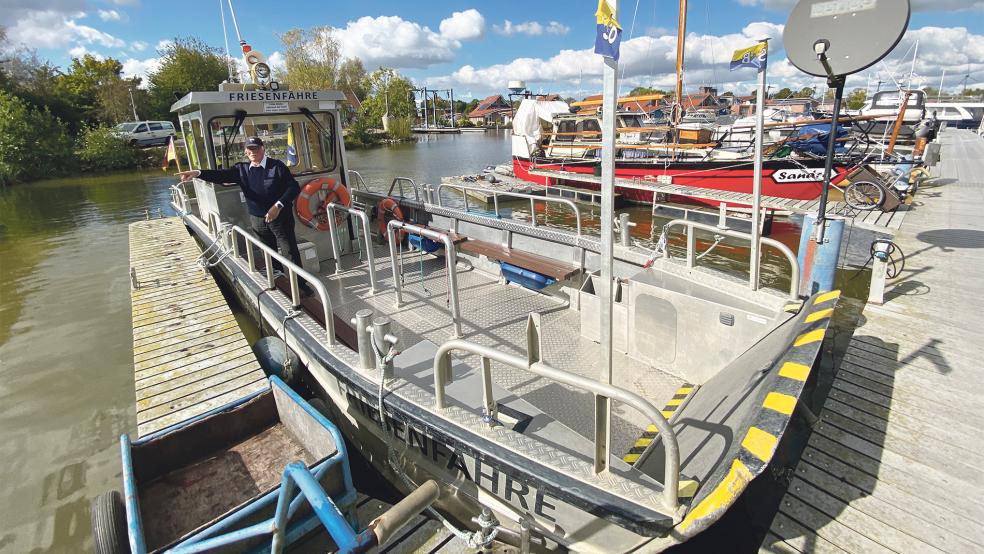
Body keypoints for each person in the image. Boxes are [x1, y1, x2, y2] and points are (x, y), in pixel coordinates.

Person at [177, 136, 310, 292]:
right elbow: (220, 175)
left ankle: (301, 285)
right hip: (257, 220)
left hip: (280, 218)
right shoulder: (241, 170)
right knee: (268, 251)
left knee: (289, 252)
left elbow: (293, 188)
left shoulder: (277, 167)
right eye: (250, 149)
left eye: (256, 148)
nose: (253, 152)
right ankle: (279, 281)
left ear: (263, 149)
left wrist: (278, 206)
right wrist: (198, 173)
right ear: (246, 152)